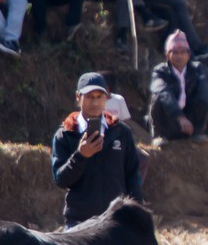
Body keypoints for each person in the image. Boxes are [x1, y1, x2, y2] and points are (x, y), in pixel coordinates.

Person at [51, 72, 143, 227]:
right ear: (78, 97)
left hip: (116, 222)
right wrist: (80, 156)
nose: (95, 102)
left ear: (106, 98)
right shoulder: (65, 134)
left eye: (99, 96)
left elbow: (132, 177)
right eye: (89, 97)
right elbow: (61, 180)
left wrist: (136, 216)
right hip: (79, 223)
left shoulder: (121, 132)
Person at [150, 32, 208, 144]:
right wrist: (179, 116)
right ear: (167, 54)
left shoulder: (196, 69)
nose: (179, 56)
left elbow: (205, 88)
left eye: (183, 52)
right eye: (175, 53)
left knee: (201, 94)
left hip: (189, 122)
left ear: (189, 54)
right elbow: (164, 92)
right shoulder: (160, 71)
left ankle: (197, 132)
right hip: (170, 121)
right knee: (158, 97)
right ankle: (159, 135)